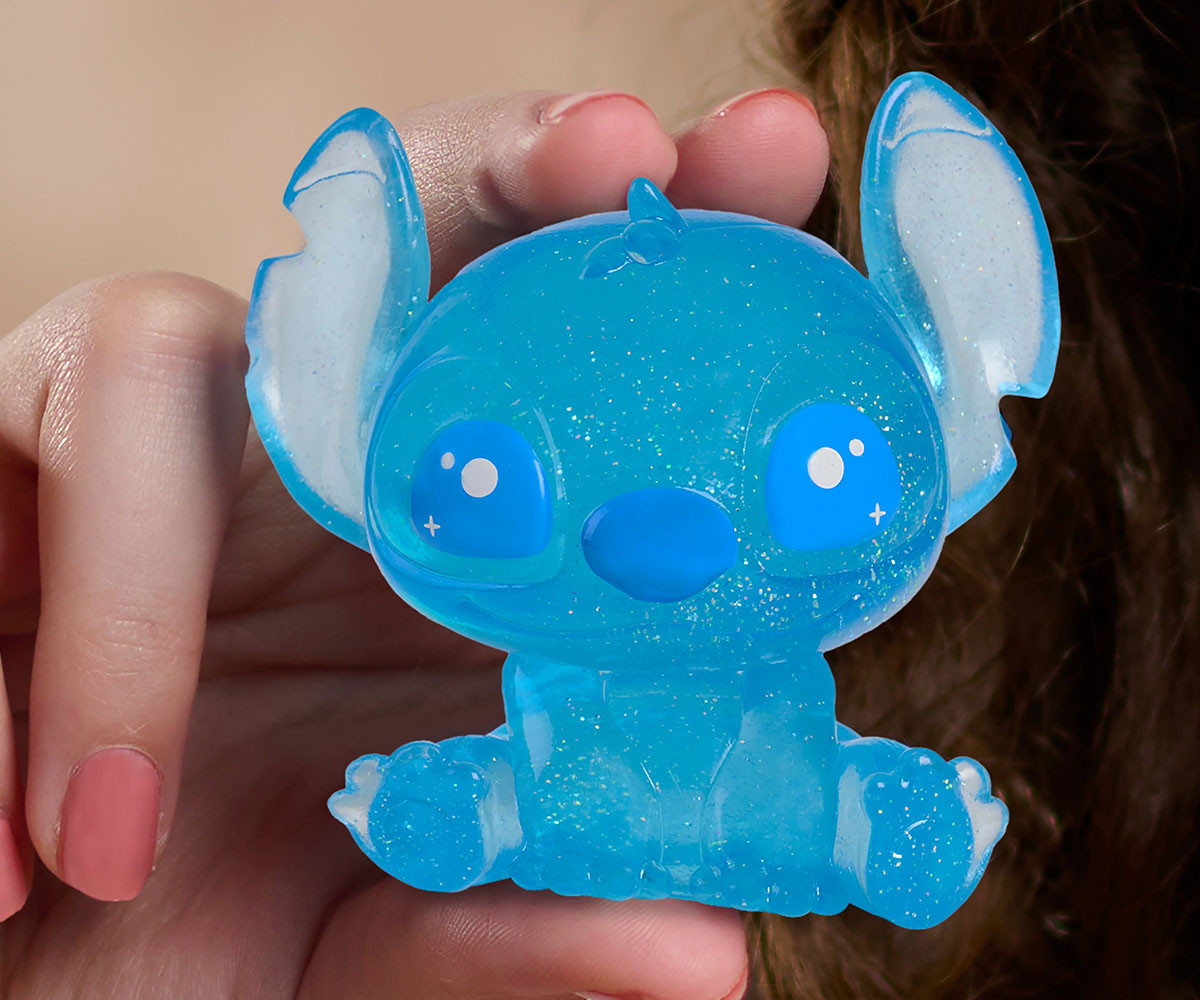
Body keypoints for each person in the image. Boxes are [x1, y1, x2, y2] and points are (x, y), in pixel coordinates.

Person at [0, 2, 1195, 998]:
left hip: (776, 804)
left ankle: (849, 824)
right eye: (487, 479)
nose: (665, 544)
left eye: (821, 471)